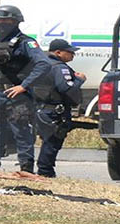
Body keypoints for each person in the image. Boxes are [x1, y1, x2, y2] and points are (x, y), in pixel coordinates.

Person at [0, 5, 47, 173]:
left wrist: (24, 86)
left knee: (21, 132)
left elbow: (43, 64)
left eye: (6, 19)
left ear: (15, 21)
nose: (1, 23)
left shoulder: (26, 42)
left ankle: (26, 168)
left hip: (15, 96)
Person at [31, 39, 85, 178]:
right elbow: (65, 87)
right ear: (58, 52)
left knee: (48, 139)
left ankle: (43, 169)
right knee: (53, 140)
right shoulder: (59, 67)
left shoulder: (41, 64)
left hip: (41, 108)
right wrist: (79, 80)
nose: (73, 55)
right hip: (55, 111)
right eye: (70, 52)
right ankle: (45, 171)